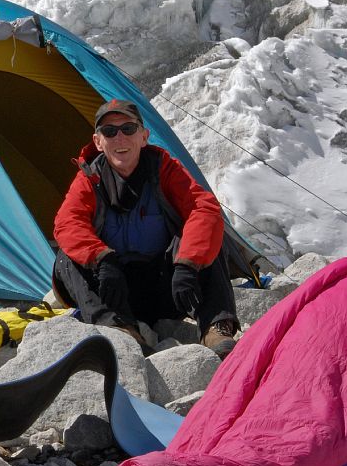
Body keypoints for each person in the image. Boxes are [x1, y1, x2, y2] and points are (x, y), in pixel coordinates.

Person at [52, 99, 241, 357]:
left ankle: (215, 327)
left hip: (170, 287)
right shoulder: (90, 178)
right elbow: (67, 223)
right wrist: (101, 259)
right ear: (98, 142)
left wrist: (187, 263)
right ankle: (121, 331)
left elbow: (203, 208)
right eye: (110, 132)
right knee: (66, 258)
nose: (120, 138)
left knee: (210, 236)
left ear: (143, 136)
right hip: (116, 293)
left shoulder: (163, 169)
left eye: (128, 129)